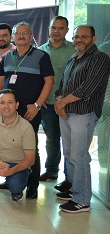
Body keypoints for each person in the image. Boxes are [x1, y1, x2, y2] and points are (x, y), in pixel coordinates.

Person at [0, 22, 54, 199]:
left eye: (25, 33)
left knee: (30, 147)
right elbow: (0, 82)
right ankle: (10, 179)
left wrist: (37, 105)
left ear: (31, 36)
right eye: (17, 33)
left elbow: (49, 81)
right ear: (13, 37)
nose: (21, 36)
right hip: (8, 110)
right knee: (8, 145)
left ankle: (32, 185)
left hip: (30, 111)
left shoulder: (41, 56)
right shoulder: (6, 57)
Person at [54, 25, 110, 213]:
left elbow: (87, 89)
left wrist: (62, 103)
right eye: (77, 36)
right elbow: (62, 85)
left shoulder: (100, 58)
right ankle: (73, 189)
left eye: (84, 36)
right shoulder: (73, 58)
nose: (80, 40)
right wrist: (60, 102)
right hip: (66, 113)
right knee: (69, 153)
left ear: (94, 39)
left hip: (83, 113)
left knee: (79, 156)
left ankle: (82, 199)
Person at [38, 16, 75, 182]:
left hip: (68, 104)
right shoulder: (39, 51)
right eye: (54, 27)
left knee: (69, 142)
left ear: (67, 30)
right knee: (51, 139)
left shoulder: (74, 50)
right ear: (49, 29)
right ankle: (51, 171)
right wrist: (40, 96)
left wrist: (66, 100)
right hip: (47, 104)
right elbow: (36, 77)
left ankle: (69, 177)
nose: (56, 31)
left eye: (61, 28)